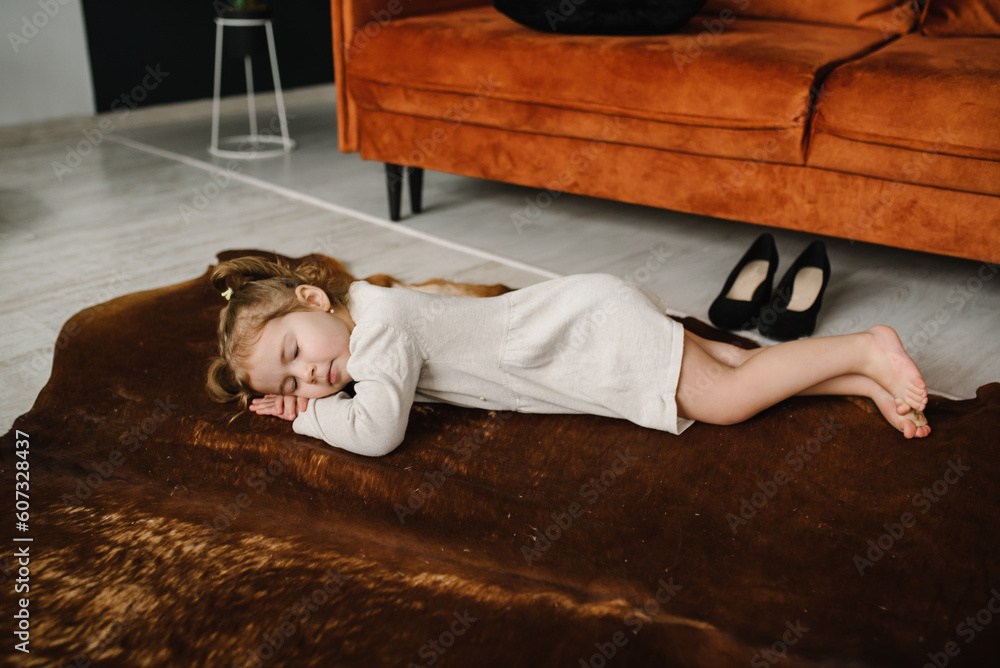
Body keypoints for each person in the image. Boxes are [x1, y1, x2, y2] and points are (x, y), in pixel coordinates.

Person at [206, 257, 930, 457]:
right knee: (737, 373)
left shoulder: (382, 330)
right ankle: (862, 382)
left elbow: (378, 433)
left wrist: (309, 419)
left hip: (586, 335)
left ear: (314, 298)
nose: (311, 378)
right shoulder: (367, 313)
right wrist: (320, 392)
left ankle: (866, 345)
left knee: (723, 401)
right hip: (580, 317)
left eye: (296, 352)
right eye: (292, 380)